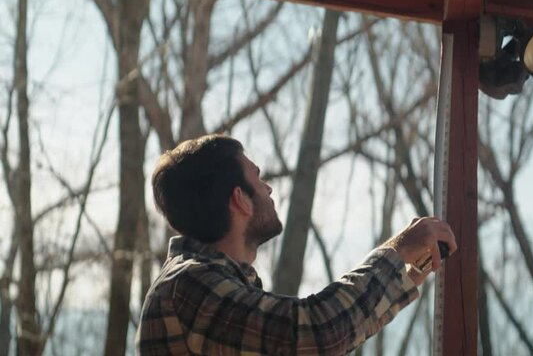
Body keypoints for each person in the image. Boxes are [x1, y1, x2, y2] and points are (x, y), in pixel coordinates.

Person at [136, 134, 457, 355]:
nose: (269, 189)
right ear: (240, 200)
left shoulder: (206, 285)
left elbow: (326, 338)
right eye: (258, 178)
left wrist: (404, 275)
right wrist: (397, 251)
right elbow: (315, 333)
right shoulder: (189, 286)